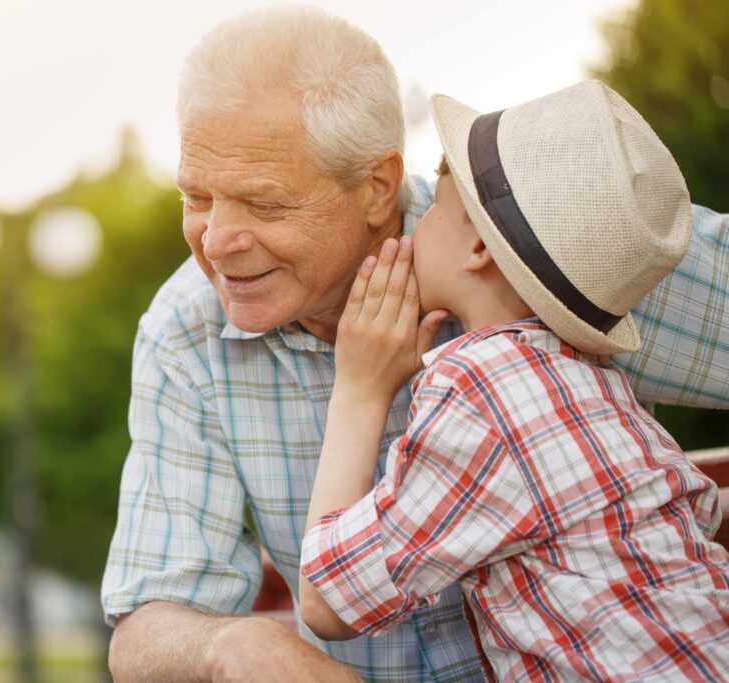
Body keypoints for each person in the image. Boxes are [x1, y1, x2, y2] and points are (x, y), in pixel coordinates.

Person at [101, 7, 729, 682]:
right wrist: (231, 646)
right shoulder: (185, 332)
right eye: (196, 197)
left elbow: (332, 594)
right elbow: (147, 619)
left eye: (264, 204)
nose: (216, 242)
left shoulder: (561, 237)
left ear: (377, 187)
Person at [297, 80, 729, 681]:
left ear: (478, 245)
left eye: (435, 209)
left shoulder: (480, 392)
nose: (412, 231)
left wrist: (359, 390)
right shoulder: (593, 379)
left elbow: (328, 599)